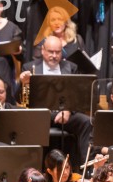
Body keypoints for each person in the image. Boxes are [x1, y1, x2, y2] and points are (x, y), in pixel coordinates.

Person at [20, 36, 93, 164]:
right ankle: (31, 168)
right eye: (50, 51)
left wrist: (69, 110)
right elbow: (20, 99)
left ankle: (86, 167)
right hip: (40, 115)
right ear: (42, 50)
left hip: (64, 113)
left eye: (57, 52)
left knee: (86, 122)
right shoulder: (29, 67)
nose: (54, 55)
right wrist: (23, 84)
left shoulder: (71, 67)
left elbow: (76, 95)